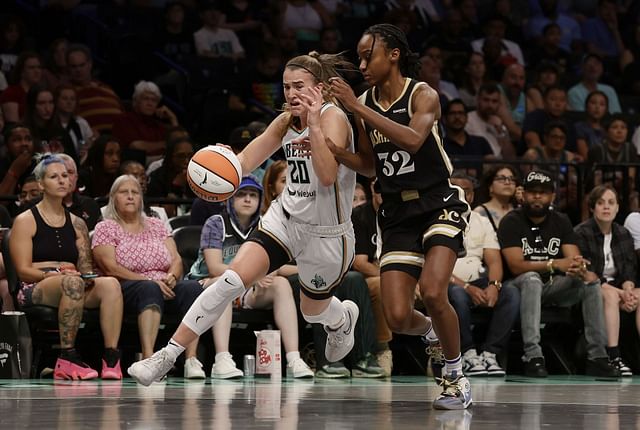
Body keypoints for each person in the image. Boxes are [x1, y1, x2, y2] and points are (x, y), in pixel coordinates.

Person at [128, 50, 360, 386]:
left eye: (299, 87)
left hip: (328, 233)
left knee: (312, 310)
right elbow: (245, 163)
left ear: (320, 89)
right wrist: (220, 168)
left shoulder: (332, 117)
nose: (292, 94)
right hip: (287, 217)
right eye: (286, 87)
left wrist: (313, 126)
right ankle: (167, 355)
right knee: (230, 281)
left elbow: (326, 176)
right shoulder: (284, 121)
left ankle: (341, 319)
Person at [329, 23, 471, 409]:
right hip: (396, 213)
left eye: (366, 55)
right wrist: (334, 151)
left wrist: (356, 106)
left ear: (392, 54)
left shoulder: (422, 94)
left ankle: (455, 377)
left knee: (434, 290)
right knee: (396, 316)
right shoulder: (365, 103)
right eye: (358, 56)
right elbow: (371, 167)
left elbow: (411, 140)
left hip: (438, 201)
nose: (360, 64)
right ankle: (433, 334)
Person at [188, 175, 314, 378]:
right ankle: (222, 359)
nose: (248, 199)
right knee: (225, 283)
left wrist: (305, 269)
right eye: (241, 194)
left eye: (253, 195)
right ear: (231, 199)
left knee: (281, 284)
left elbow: (275, 266)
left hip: (246, 289)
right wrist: (255, 277)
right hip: (209, 284)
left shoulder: (266, 225)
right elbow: (214, 267)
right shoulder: (216, 223)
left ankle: (294, 359)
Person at [10, 155, 123, 380]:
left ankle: (111, 358)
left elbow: (85, 267)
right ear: (41, 184)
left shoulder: (78, 223)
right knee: (71, 282)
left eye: (65, 175)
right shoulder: (25, 220)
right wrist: (56, 274)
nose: (62, 180)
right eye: (54, 177)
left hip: (73, 282)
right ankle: (67, 357)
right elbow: (23, 270)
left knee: (110, 285)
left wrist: (87, 275)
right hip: (36, 284)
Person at [497, 170, 619, 378]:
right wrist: (555, 264)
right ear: (523, 194)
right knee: (532, 279)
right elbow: (516, 266)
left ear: (552, 196)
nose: (537, 196)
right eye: (532, 192)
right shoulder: (511, 220)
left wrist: (579, 268)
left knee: (590, 282)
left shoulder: (561, 221)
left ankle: (596, 356)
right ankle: (533, 356)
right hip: (516, 286)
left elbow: (572, 259)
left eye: (543, 192)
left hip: (553, 287)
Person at [92, 175, 208, 379]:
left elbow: (176, 259)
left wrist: (172, 275)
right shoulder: (106, 227)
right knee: (150, 289)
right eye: (123, 192)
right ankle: (149, 359)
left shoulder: (156, 224)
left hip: (163, 284)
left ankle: (191, 359)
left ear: (141, 199)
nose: (130, 197)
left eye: (135, 192)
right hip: (126, 288)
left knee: (193, 288)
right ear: (113, 198)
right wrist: (147, 280)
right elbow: (110, 267)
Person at [448, 171, 519, 376]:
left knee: (510, 293)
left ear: (471, 195)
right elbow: (430, 266)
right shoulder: (433, 219)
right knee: (457, 295)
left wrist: (493, 285)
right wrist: (466, 287)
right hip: (448, 284)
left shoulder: (480, 220)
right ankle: (467, 354)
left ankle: (490, 354)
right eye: (455, 190)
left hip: (478, 282)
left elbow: (494, 260)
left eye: (466, 192)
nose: (460, 195)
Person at [575, 185, 638, 377]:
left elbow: (628, 270)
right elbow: (589, 274)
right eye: (600, 203)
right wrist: (620, 293)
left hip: (618, 289)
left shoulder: (622, 233)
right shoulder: (581, 232)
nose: (606, 207)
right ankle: (613, 355)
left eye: (611, 203)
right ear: (592, 208)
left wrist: (628, 290)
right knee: (610, 294)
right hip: (591, 288)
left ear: (618, 208)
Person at [474, 165, 520, 233]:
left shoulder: (519, 209)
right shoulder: (479, 212)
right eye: (501, 178)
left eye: (512, 179)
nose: (507, 182)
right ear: (490, 186)